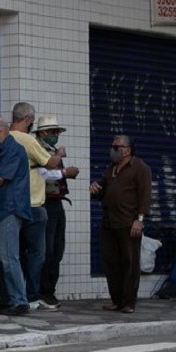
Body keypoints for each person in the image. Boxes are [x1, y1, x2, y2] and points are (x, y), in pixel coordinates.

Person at [8, 102, 63, 311]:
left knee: (14, 253)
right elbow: (50, 164)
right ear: (29, 120)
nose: (54, 135)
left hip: (13, 204)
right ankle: (32, 295)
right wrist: (60, 156)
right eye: (51, 131)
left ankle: (17, 296)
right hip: (34, 204)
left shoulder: (5, 138)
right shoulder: (28, 140)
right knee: (38, 253)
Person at [89, 135, 152, 314]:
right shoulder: (112, 169)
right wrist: (95, 189)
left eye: (116, 147)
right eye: (112, 146)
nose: (112, 150)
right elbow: (104, 191)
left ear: (127, 150)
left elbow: (145, 195)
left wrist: (139, 220)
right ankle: (116, 300)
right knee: (111, 262)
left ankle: (128, 302)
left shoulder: (140, 168)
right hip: (109, 222)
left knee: (129, 262)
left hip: (128, 223)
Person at [0, 116, 33, 315]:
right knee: (2, 258)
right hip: (0, 210)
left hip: (9, 209)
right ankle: (7, 298)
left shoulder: (13, 150)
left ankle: (19, 301)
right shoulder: (0, 150)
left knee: (8, 257)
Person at [34, 115, 80, 308]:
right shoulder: (37, 148)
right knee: (47, 249)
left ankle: (49, 290)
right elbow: (40, 174)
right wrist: (61, 162)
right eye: (53, 132)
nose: (56, 136)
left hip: (57, 203)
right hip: (45, 203)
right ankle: (42, 291)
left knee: (57, 249)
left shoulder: (50, 150)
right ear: (43, 133)